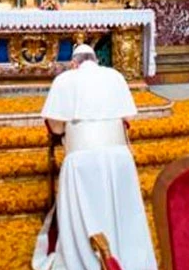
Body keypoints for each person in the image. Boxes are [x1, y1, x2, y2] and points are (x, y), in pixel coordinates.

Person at [32, 44, 157, 270]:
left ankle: (84, 259)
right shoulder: (115, 77)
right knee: (122, 212)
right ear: (96, 60)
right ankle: (126, 258)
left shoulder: (65, 80)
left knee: (86, 213)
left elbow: (56, 127)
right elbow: (127, 118)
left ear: (74, 63)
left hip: (81, 160)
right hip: (119, 159)